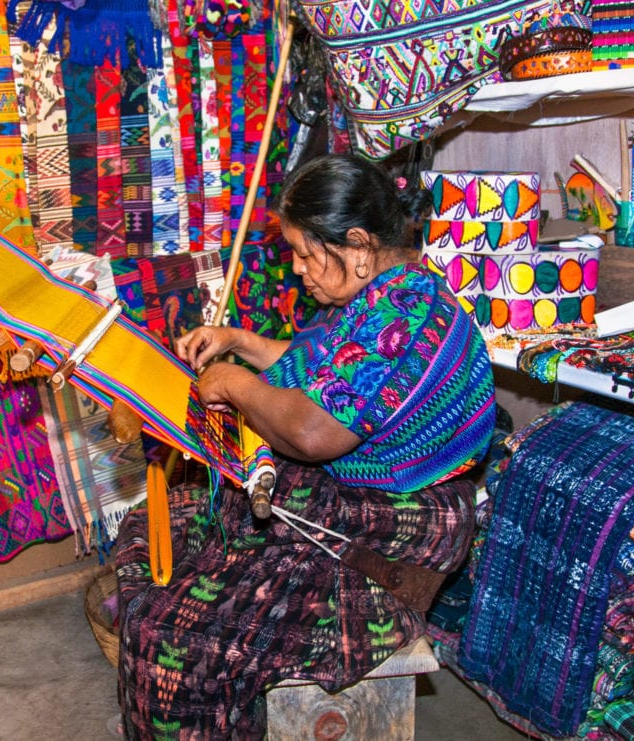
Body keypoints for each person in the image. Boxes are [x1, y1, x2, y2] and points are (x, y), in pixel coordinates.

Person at [115, 153, 496, 739]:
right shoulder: (390, 296)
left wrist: (237, 384)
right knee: (159, 527)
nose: (296, 270)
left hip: (394, 531)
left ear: (360, 246)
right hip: (354, 500)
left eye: (303, 252)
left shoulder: (405, 316)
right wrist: (239, 340)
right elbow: (323, 370)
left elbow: (314, 430)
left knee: (178, 638)